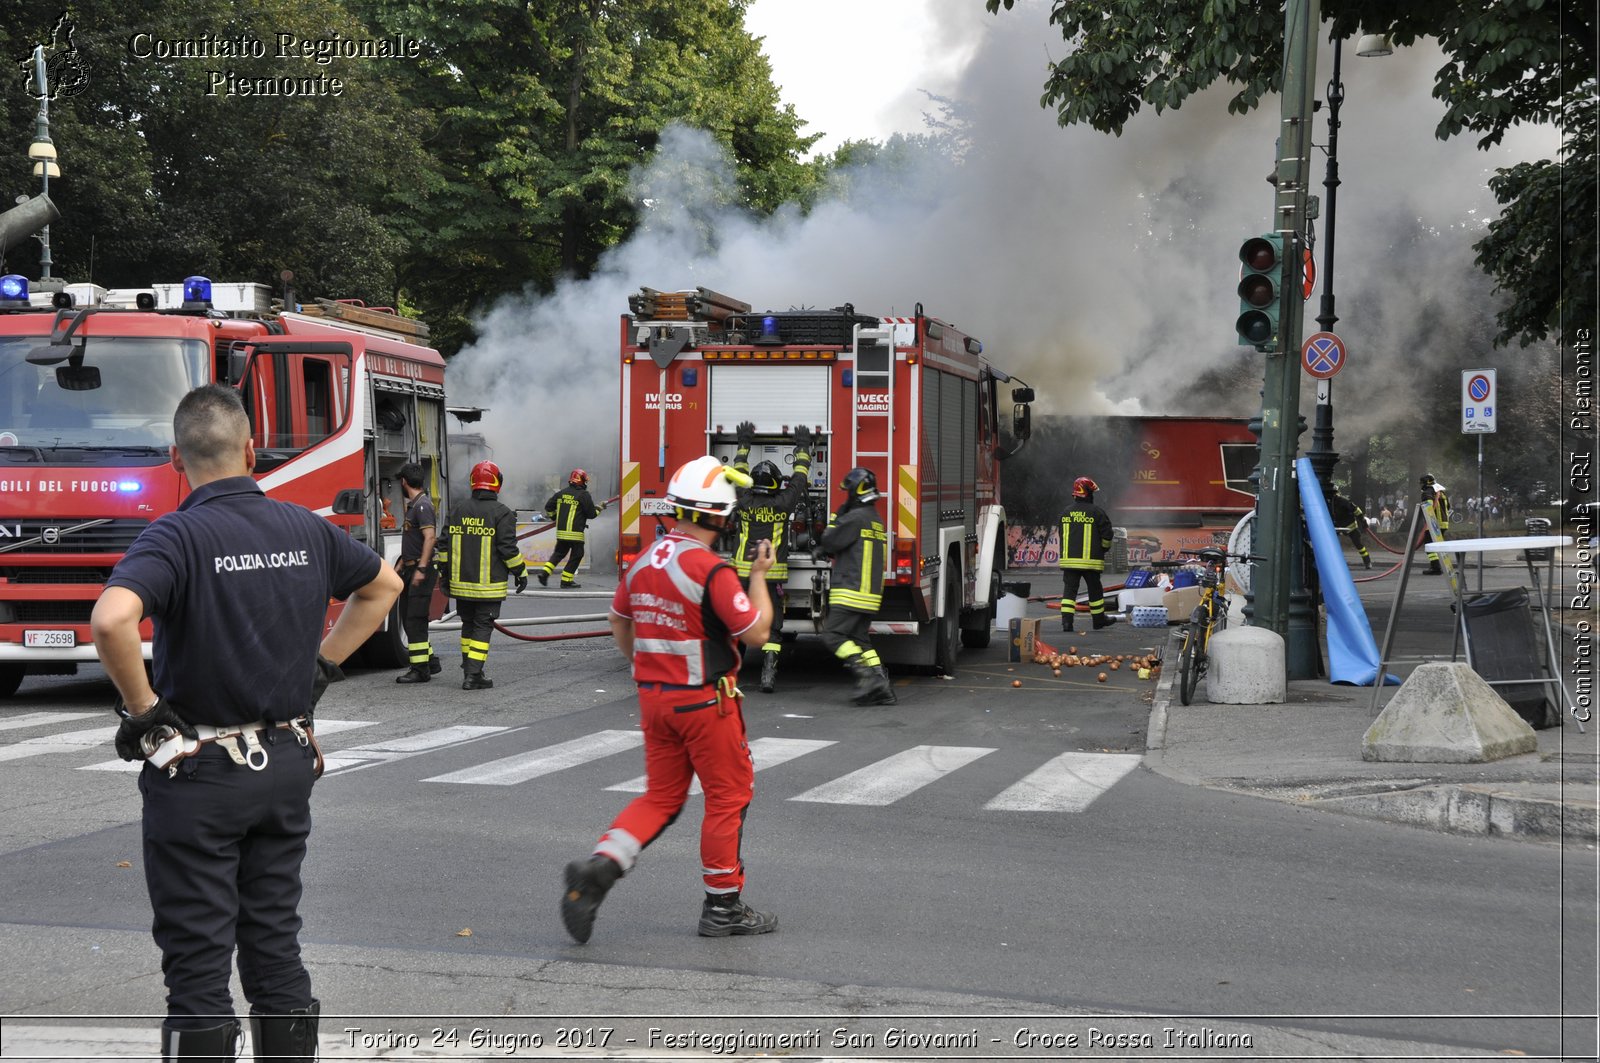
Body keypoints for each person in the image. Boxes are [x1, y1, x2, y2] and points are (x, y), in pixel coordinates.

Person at [89, 384, 402, 1062]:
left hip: (200, 770)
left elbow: (112, 618)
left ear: (177, 458)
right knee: (273, 942)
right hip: (286, 762)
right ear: (252, 451)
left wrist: (146, 714)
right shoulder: (305, 527)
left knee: (199, 963)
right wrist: (322, 665)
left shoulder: (175, 535)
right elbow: (385, 586)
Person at [560, 455, 777, 943]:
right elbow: (758, 632)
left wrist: (646, 663)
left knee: (660, 796)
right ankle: (723, 907)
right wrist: (759, 575)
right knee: (727, 796)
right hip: (706, 704)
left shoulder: (644, 562)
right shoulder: (711, 569)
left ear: (677, 508)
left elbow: (619, 621)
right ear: (719, 517)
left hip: (655, 700)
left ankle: (601, 867)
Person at [731, 419, 814, 693]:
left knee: (739, 620)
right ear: (777, 484)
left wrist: (744, 443)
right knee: (774, 627)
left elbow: (738, 472)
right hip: (772, 576)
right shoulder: (783, 502)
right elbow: (800, 477)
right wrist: (802, 446)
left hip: (742, 575)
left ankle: (732, 672)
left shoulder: (743, 500)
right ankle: (768, 675)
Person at [436, 459, 530, 689]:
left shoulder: (457, 509)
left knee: (468, 625)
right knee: (481, 627)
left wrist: (444, 575)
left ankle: (470, 668)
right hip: (488, 587)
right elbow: (507, 549)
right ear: (497, 483)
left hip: (460, 584)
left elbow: (444, 546)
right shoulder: (503, 513)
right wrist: (521, 572)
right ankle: (473, 675)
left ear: (472, 482)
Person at [817, 467, 896, 705]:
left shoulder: (854, 518)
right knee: (861, 641)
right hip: (869, 595)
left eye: (847, 492)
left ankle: (867, 679)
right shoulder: (874, 519)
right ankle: (882, 686)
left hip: (850, 592)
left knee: (832, 635)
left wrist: (838, 514)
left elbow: (830, 539)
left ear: (855, 491)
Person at [394, 462, 443, 683]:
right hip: (411, 567)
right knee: (408, 616)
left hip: (421, 570)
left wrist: (422, 568)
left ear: (404, 481)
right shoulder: (414, 506)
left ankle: (420, 669)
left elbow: (430, 538)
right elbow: (413, 540)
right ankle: (430, 661)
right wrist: (402, 564)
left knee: (414, 619)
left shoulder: (422, 506)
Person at [1058, 475, 1117, 631]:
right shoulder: (1097, 512)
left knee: (1069, 592)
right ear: (1088, 493)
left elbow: (1061, 535)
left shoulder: (1066, 512)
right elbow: (1107, 535)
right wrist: (1104, 548)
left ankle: (1067, 623)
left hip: (1069, 562)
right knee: (1095, 591)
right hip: (1091, 562)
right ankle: (1098, 621)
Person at [539, 468, 603, 589]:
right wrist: (599, 508)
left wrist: (555, 517)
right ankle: (566, 580)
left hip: (561, 533)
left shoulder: (561, 493)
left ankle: (544, 573)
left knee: (558, 553)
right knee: (577, 555)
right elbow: (591, 514)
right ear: (581, 481)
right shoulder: (584, 495)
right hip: (575, 534)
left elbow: (548, 507)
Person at [1327, 490, 1373, 570]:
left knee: (1359, 545)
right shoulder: (1327, 503)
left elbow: (1357, 510)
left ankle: (1367, 562)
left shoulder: (1343, 501)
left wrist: (1363, 521)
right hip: (1336, 527)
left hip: (1350, 526)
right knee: (1331, 546)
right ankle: (1333, 565)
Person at [1417, 473, 1452, 575]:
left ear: (1426, 483)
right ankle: (1444, 567)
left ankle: (1435, 567)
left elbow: (1429, 508)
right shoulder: (1441, 492)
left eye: (1422, 483)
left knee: (1429, 545)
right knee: (1439, 546)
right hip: (1444, 523)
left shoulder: (1427, 492)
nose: (1421, 485)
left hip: (1433, 523)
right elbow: (1448, 507)